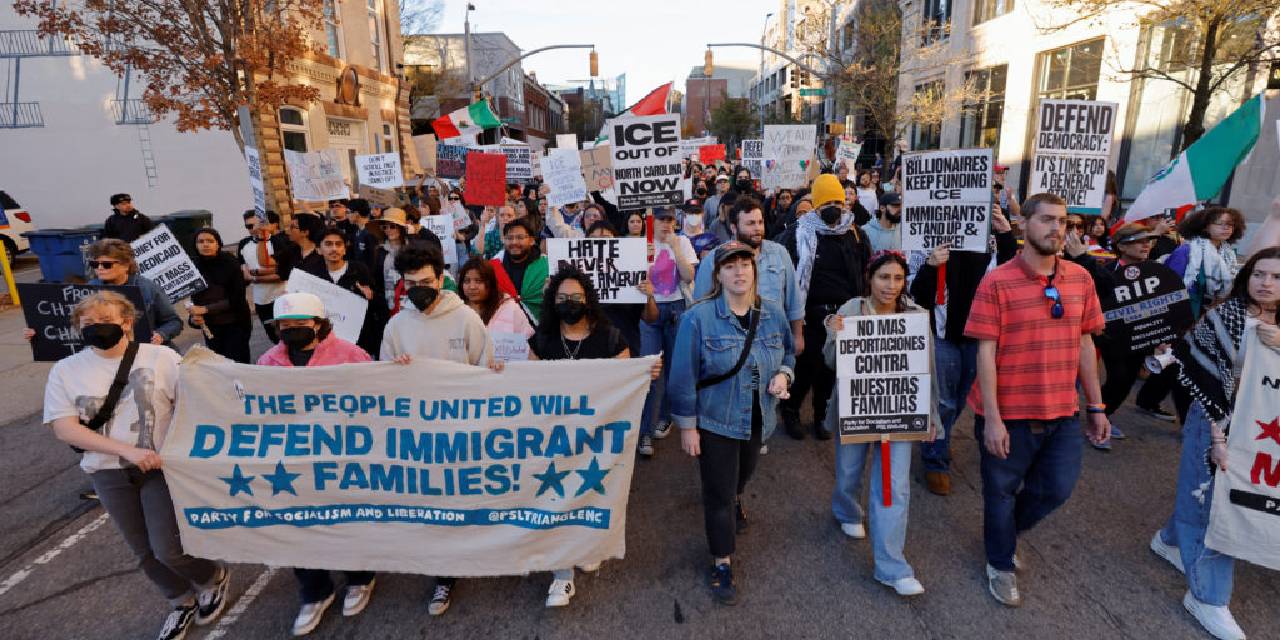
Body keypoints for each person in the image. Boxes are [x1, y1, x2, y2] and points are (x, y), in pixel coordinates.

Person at [43, 291, 229, 640]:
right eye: (88, 324)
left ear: (127, 322)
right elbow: (64, 428)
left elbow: (196, 403)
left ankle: (211, 577)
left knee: (168, 548)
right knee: (143, 553)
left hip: (160, 468)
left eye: (105, 321)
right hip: (108, 472)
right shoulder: (66, 371)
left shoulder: (161, 358)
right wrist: (125, 451)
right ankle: (181, 600)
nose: (97, 328)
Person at [964, 192, 1110, 607]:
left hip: (1062, 409)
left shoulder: (1081, 279)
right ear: (1023, 224)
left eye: (1063, 222)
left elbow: (1085, 342)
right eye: (1046, 220)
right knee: (1000, 493)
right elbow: (985, 352)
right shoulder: (997, 281)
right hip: (1008, 412)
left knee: (1056, 490)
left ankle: (1005, 534)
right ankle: (1000, 562)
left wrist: (1096, 405)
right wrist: (992, 418)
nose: (1057, 229)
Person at [1149, 247, 1280, 640]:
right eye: (1259, 274)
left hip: (1264, 429)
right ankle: (1208, 597)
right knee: (1212, 506)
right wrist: (1218, 438)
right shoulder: (1227, 316)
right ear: (1247, 276)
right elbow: (1203, 378)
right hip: (1215, 423)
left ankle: (1169, 540)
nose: (1266, 283)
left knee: (1205, 497)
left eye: (1276, 277)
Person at [669, 241, 795, 605]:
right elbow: (682, 376)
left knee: (742, 476)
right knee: (719, 494)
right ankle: (722, 561)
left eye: (745, 264)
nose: (739, 271)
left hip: (758, 418)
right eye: (730, 266)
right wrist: (688, 427)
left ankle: (734, 494)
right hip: (715, 420)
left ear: (754, 271)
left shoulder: (772, 314)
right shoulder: (698, 317)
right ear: (718, 274)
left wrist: (784, 375)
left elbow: (787, 351)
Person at [527, 266, 662, 606]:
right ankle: (561, 575)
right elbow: (523, 385)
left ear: (588, 300)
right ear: (551, 301)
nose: (569, 302)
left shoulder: (611, 338)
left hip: (597, 441)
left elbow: (627, 386)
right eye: (561, 298)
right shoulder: (541, 340)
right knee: (555, 500)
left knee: (592, 496)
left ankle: (589, 546)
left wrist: (644, 372)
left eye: (575, 297)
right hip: (553, 439)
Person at [378, 245, 494, 617]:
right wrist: (395, 369)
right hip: (419, 435)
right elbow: (382, 380)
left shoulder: (466, 320)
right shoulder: (396, 325)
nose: (418, 289)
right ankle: (443, 573)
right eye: (410, 283)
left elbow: (486, 369)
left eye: (425, 281)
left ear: (441, 278)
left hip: (463, 431)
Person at [255, 293, 378, 635]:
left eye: (301, 323)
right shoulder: (268, 361)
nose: (292, 329)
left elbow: (379, 397)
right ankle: (314, 591)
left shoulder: (349, 354)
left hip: (342, 456)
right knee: (299, 525)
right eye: (286, 325)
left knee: (347, 519)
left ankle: (359, 577)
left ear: (319, 324)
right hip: (294, 461)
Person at [823, 251, 939, 597]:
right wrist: (835, 335)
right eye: (883, 277)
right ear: (869, 278)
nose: (891, 286)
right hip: (857, 409)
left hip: (900, 413)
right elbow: (830, 362)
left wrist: (931, 416)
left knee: (894, 485)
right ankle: (846, 510)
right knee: (848, 472)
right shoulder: (850, 310)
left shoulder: (917, 316)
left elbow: (927, 371)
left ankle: (891, 566)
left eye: (898, 278)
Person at [909, 205, 1018, 495]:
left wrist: (1006, 233)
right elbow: (916, 294)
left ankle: (935, 439)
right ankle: (935, 460)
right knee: (943, 401)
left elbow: (1014, 274)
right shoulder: (934, 243)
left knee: (958, 400)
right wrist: (931, 265)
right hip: (944, 336)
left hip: (979, 337)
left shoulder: (993, 242)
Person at [778, 174, 870, 440]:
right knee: (805, 368)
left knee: (831, 370)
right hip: (808, 315)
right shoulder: (797, 234)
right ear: (816, 204)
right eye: (827, 201)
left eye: (837, 201)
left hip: (844, 315)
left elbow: (865, 271)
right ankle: (792, 411)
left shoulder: (855, 234)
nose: (833, 206)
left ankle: (821, 417)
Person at [1064, 223, 1158, 450]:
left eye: (1149, 240)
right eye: (1139, 240)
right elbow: (1106, 288)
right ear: (1122, 246)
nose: (1146, 245)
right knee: (1117, 376)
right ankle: (1096, 420)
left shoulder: (1157, 272)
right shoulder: (1107, 268)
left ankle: (1105, 415)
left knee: (1125, 382)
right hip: (1109, 335)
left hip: (1140, 336)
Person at [636, 207, 699, 457]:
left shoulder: (682, 241)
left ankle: (665, 416)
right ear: (650, 221)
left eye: (671, 220)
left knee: (674, 371)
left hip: (677, 310)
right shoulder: (640, 244)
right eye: (662, 219)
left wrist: (674, 247)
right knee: (649, 371)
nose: (667, 224)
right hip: (650, 310)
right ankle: (644, 432)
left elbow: (688, 276)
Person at [80, 239, 182, 347]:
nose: (99, 268)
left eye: (106, 264)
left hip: (144, 350)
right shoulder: (90, 289)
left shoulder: (148, 287)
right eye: (94, 264)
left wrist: (161, 335)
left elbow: (174, 322)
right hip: (105, 351)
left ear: (125, 265)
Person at [306, 227, 388, 358]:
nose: (334, 249)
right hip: (327, 343)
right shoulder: (313, 275)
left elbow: (380, 304)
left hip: (360, 342)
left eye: (338, 244)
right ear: (319, 250)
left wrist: (371, 296)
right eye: (328, 244)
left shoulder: (359, 270)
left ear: (344, 249)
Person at [586, 221, 657, 360]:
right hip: (589, 351)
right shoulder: (578, 275)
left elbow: (650, 318)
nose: (600, 244)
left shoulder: (632, 272)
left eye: (606, 239)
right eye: (594, 239)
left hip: (626, 349)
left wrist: (649, 297)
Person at [188, 228, 252, 363]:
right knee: (219, 368)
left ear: (218, 244)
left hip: (235, 324)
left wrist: (206, 309)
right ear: (195, 245)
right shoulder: (192, 267)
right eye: (201, 241)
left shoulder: (230, 263)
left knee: (238, 365)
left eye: (210, 241)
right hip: (211, 328)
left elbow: (237, 299)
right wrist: (193, 319)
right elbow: (194, 301)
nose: (205, 244)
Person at [240, 210, 290, 343]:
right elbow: (245, 272)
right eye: (248, 226)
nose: (253, 229)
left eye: (256, 225)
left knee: (289, 335)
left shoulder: (278, 241)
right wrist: (264, 274)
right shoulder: (243, 244)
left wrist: (256, 276)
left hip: (282, 296)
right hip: (261, 300)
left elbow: (284, 273)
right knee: (273, 337)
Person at [457, 256, 534, 340]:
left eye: (478, 281)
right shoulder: (456, 311)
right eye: (467, 281)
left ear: (490, 283)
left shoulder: (509, 309)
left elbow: (528, 344)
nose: (472, 287)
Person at [491, 218, 549, 323]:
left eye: (520, 237)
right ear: (503, 240)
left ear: (531, 240)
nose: (514, 242)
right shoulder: (494, 265)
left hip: (540, 327)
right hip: (504, 327)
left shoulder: (547, 265)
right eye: (509, 238)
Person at [370, 208, 412, 312]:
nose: (388, 230)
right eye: (385, 227)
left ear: (401, 228)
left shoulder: (412, 249)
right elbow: (376, 277)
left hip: (408, 299)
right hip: (385, 301)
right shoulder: (379, 250)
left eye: (392, 226)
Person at [279, 212, 327, 281]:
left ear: (305, 232)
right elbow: (268, 263)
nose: (288, 230)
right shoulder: (293, 249)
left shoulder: (321, 254)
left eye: (292, 227)